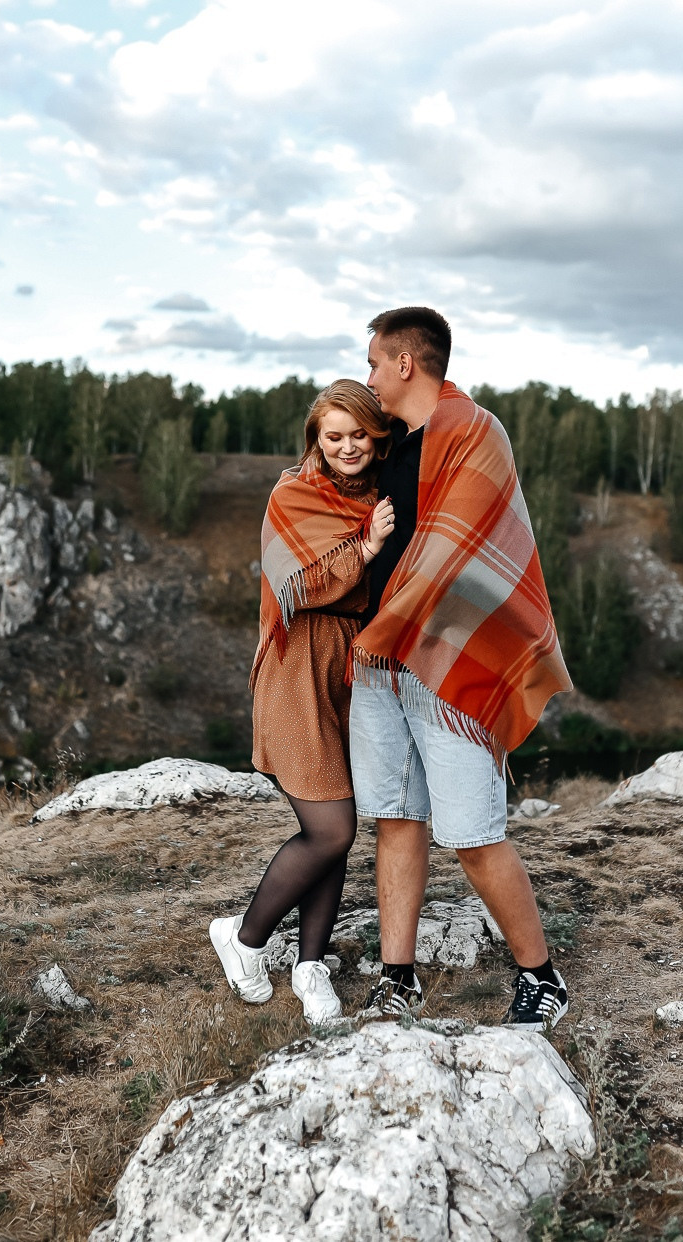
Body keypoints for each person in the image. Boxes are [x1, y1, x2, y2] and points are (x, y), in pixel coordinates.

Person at [349, 306, 574, 1029]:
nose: (370, 375)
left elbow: (456, 556)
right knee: (395, 819)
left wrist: (383, 628)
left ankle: (543, 978)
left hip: (449, 664)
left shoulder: (473, 431)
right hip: (383, 668)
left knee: (474, 834)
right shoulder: (391, 444)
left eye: (376, 362)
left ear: (407, 362)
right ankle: (398, 978)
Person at [210, 380, 395, 1024]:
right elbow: (295, 585)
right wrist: (365, 550)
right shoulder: (293, 495)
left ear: (378, 434)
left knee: (336, 835)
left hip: (352, 665)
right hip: (296, 665)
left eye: (359, 434)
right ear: (315, 439)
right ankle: (242, 938)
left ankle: (310, 968)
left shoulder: (386, 494)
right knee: (332, 828)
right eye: (333, 435)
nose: (347, 447)